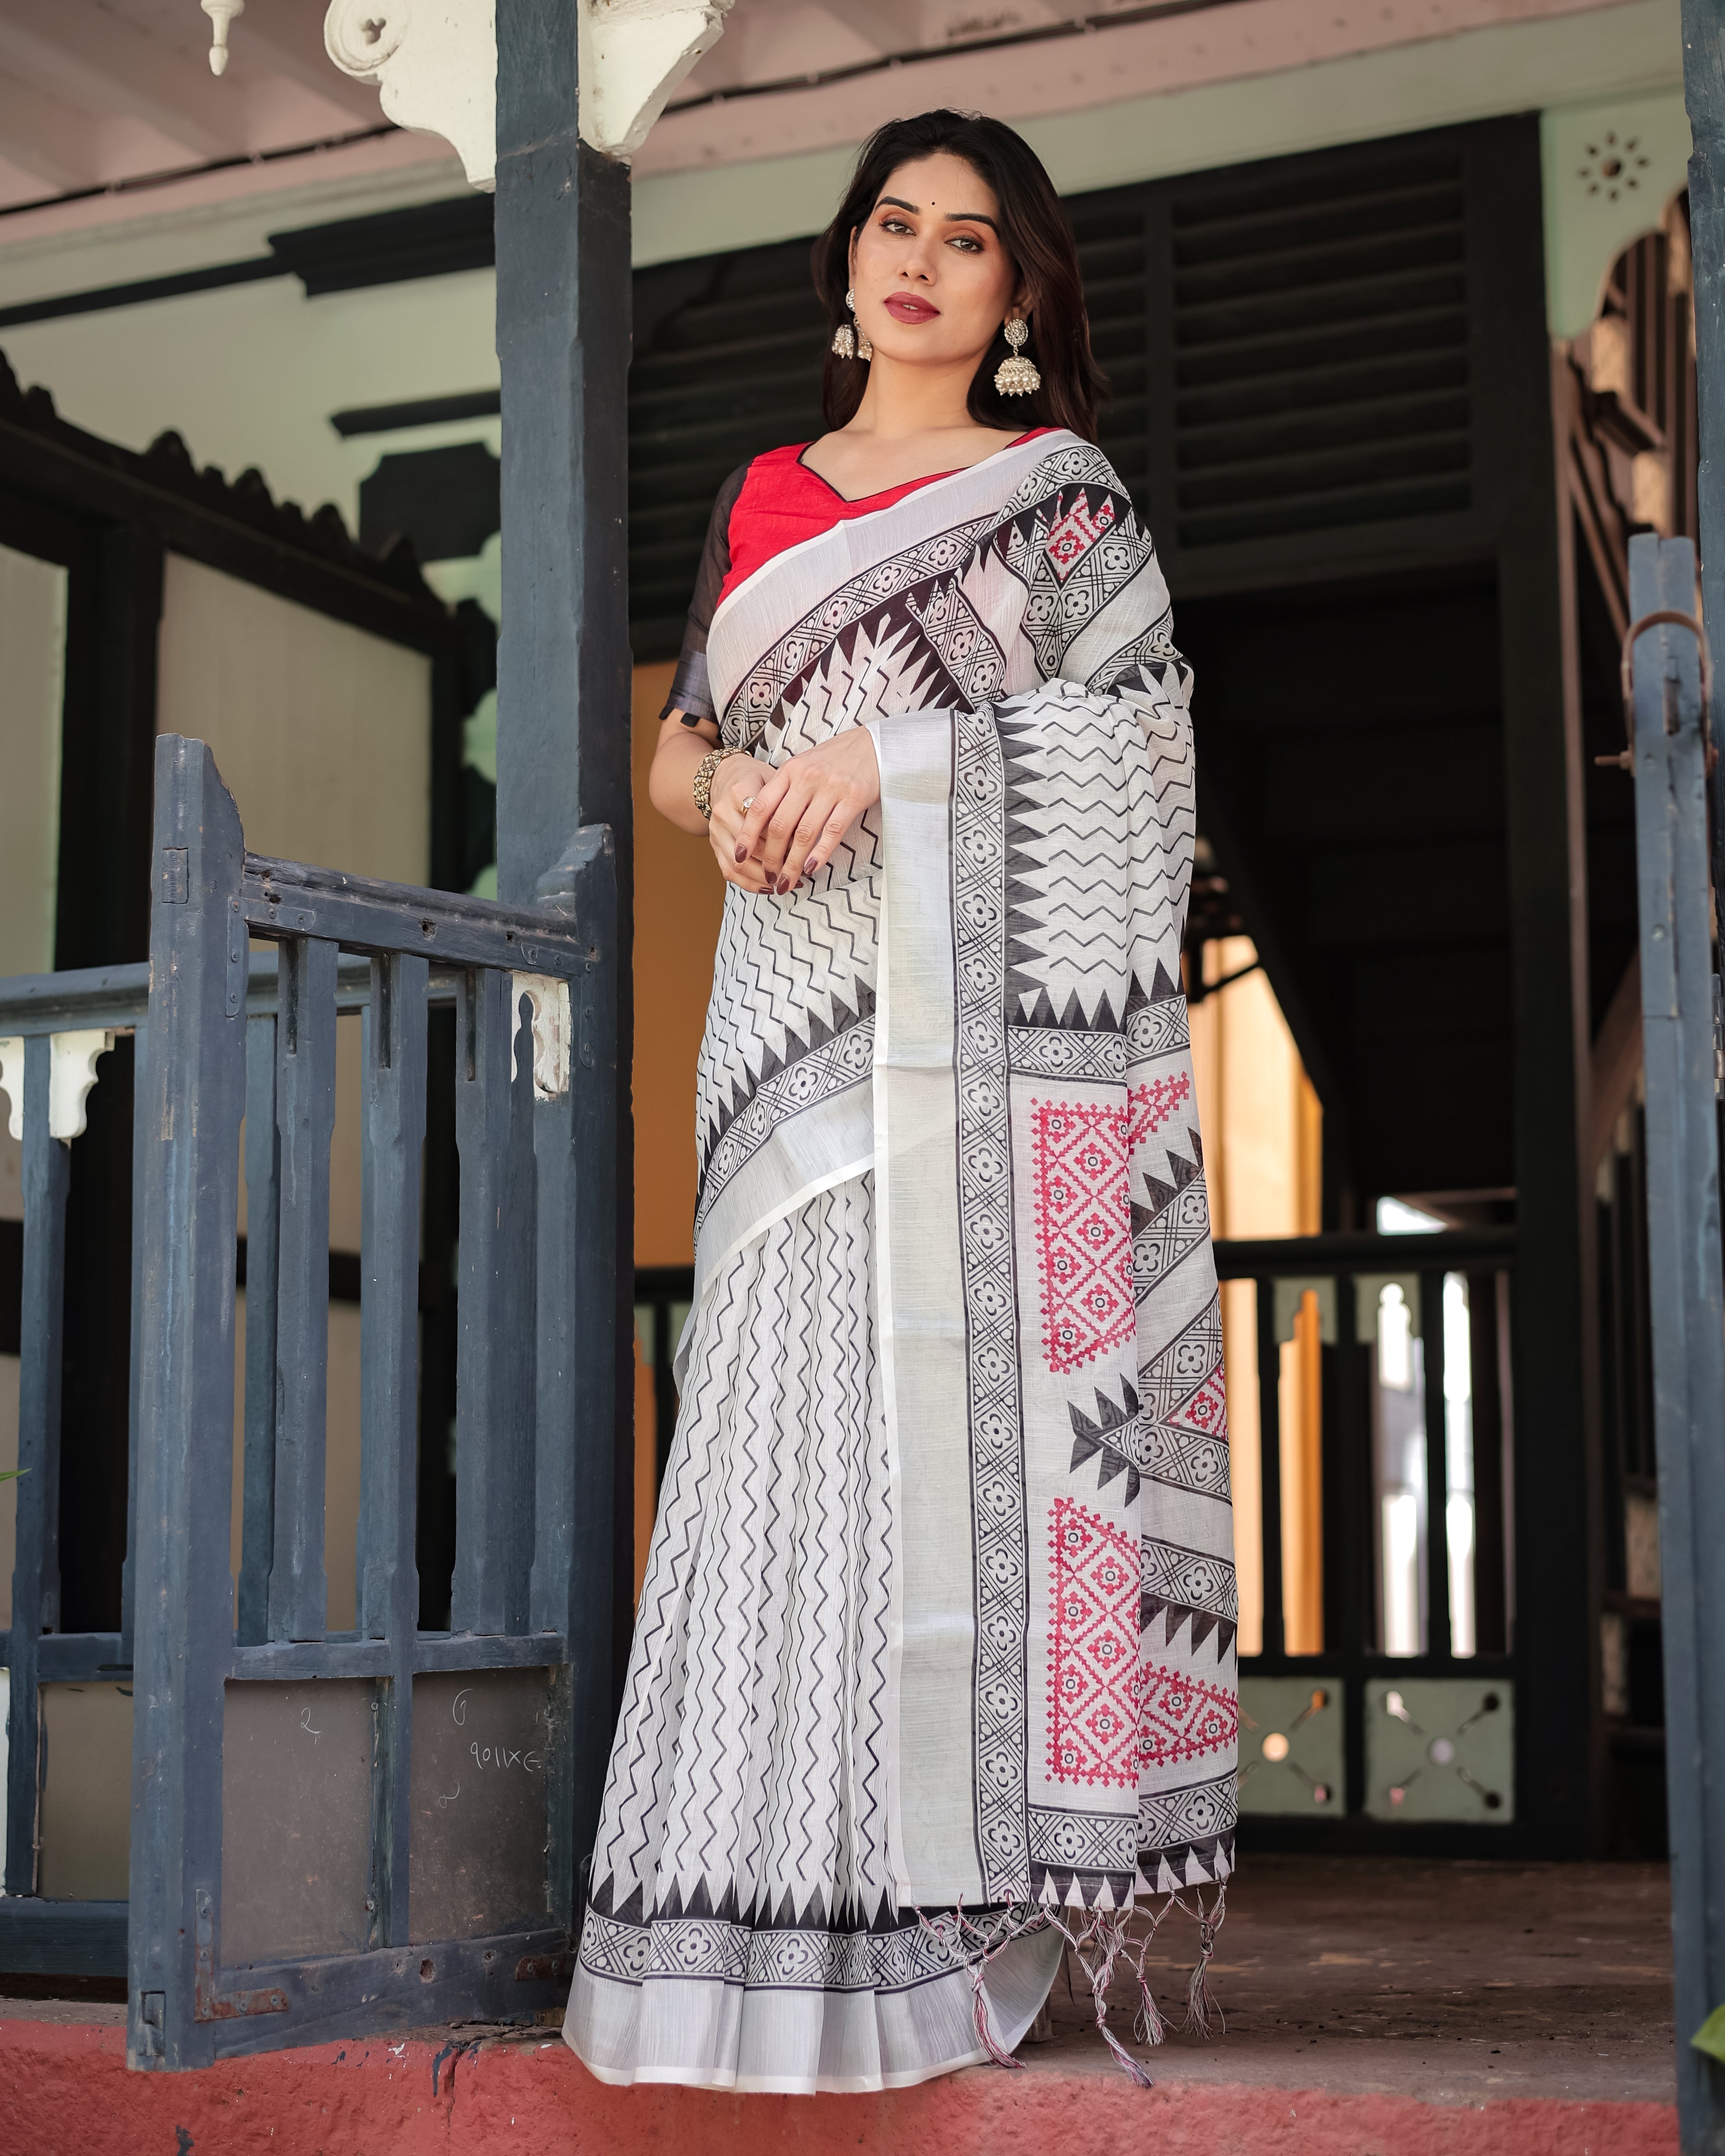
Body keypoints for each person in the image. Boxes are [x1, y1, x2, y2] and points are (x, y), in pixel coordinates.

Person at [563, 107, 1235, 2096]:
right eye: (892, 224)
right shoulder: (761, 491)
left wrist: (892, 762)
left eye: (966, 237)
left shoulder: (1059, 504)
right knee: (775, 1434)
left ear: (1016, 291)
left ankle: (939, 1914)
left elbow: (1143, 753)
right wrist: (731, 796)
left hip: (984, 1039)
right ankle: (736, 1919)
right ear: (848, 260)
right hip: (788, 1012)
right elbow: (682, 745)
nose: (920, 260)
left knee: (949, 1439)